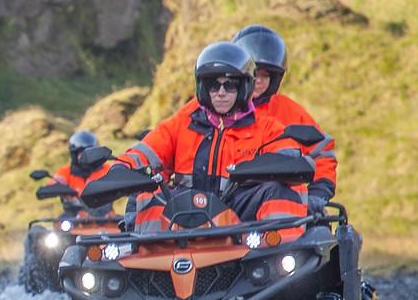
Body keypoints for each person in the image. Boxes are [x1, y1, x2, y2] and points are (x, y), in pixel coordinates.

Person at [91, 40, 309, 229]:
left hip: (241, 217)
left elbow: (288, 157)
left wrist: (273, 167)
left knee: (280, 190)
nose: (221, 92)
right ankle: (145, 264)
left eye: (230, 85)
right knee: (147, 194)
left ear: (245, 87)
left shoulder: (269, 128)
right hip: (184, 213)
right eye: (214, 85)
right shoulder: (181, 123)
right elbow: (147, 150)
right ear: (203, 88)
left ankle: (276, 258)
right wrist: (120, 169)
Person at [234, 24, 336, 210]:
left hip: (277, 209)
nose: (258, 81)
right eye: (253, 73)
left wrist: (318, 192)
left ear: (275, 79)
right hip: (221, 206)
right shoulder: (208, 109)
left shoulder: (289, 111)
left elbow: (322, 151)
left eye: (266, 75)